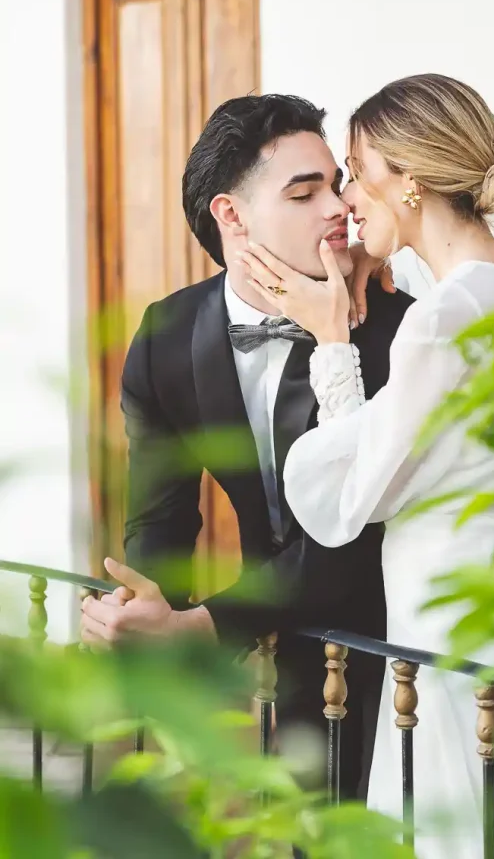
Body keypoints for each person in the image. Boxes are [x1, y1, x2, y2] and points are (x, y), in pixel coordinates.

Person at [235, 74, 494, 857]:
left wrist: (333, 338)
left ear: (407, 181)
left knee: (458, 826)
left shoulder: (440, 321)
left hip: (448, 625)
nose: (345, 196)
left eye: (353, 169)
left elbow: (357, 494)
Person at [80, 93, 413, 804]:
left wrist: (203, 626)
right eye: (305, 191)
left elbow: (354, 532)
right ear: (231, 216)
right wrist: (143, 613)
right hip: (281, 647)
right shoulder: (167, 335)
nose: (339, 207)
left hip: (401, 649)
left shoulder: (391, 329)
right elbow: (160, 518)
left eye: (334, 183)